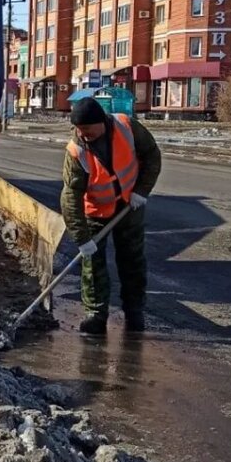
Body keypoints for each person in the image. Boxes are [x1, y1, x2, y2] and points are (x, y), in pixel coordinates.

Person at [60, 97, 162, 337]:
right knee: (93, 265)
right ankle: (96, 315)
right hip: (95, 212)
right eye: (79, 130)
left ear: (101, 123)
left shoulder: (127, 127)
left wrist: (141, 191)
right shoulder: (76, 151)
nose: (83, 134)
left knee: (133, 260)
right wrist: (81, 237)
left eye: (87, 129)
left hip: (129, 206)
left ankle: (134, 312)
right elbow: (70, 196)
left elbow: (152, 156)